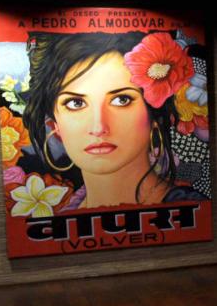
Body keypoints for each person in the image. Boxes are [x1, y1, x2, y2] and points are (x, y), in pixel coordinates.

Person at [23, 31, 201, 209]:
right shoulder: (64, 216)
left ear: (154, 117)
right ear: (55, 126)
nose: (98, 127)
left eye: (121, 100)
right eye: (76, 103)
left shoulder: (191, 208)